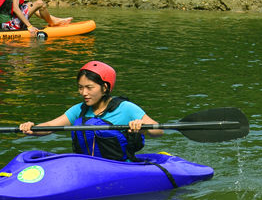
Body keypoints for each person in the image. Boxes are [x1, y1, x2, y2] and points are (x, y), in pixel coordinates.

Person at [19, 61, 162, 161]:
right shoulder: (80, 109)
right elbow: (50, 126)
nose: (84, 93)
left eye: (89, 87)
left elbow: (158, 131)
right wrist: (33, 128)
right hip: (85, 166)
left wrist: (143, 127)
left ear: (105, 87)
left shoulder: (126, 108)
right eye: (80, 87)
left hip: (121, 166)